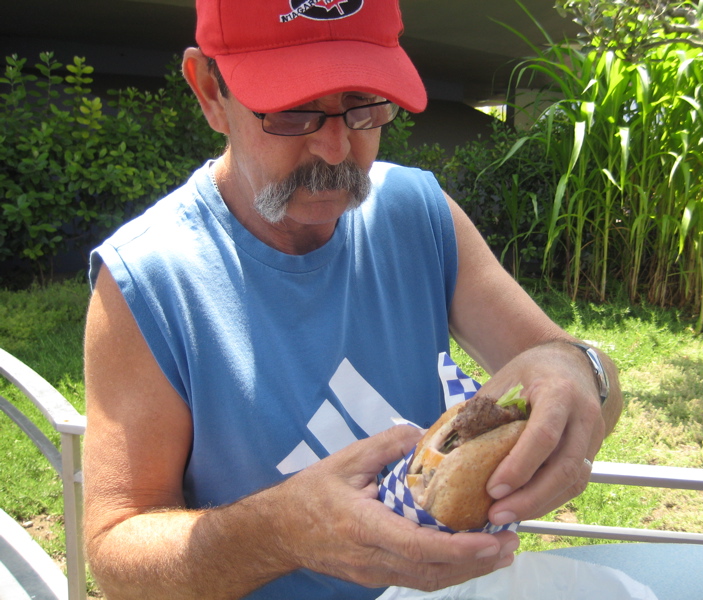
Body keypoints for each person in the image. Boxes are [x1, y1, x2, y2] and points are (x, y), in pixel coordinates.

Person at [82, 0, 623, 598]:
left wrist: (579, 368)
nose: (336, 150)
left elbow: (576, 372)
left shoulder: (416, 213)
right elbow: (114, 553)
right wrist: (280, 532)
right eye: (294, 112)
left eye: (363, 104)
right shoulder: (147, 281)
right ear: (211, 91)